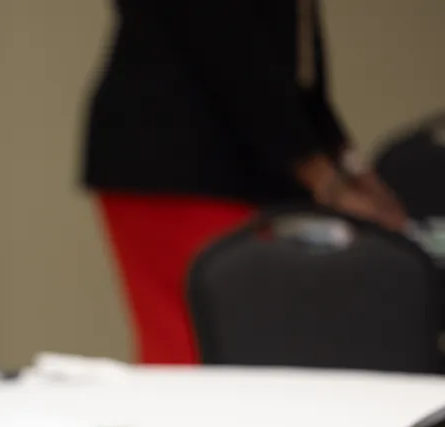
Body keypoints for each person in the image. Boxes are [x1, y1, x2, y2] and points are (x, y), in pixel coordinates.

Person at [83, 0, 407, 365]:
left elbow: (298, 77)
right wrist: (329, 183)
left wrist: (356, 174)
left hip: (248, 163)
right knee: (202, 345)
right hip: (182, 164)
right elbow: (232, 52)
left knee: (254, 343)